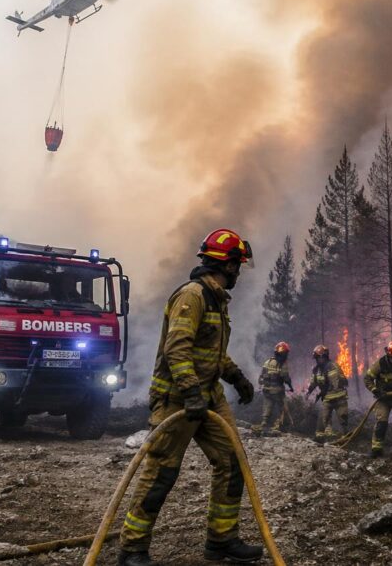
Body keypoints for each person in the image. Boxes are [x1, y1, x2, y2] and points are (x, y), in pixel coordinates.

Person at [117, 229, 263, 566]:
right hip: (177, 399)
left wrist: (236, 377)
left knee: (232, 463)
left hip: (207, 397)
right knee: (162, 472)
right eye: (237, 265)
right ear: (225, 264)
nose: (238, 272)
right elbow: (176, 349)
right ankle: (132, 549)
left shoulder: (215, 299)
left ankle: (221, 541)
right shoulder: (192, 296)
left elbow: (211, 352)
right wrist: (191, 393)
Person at [306, 344, 349, 444]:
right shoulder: (316, 369)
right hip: (328, 399)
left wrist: (324, 391)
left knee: (343, 418)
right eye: (316, 358)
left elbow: (335, 383)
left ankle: (346, 438)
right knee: (322, 417)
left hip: (339, 398)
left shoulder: (332, 366)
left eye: (318, 358)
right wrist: (309, 392)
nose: (317, 360)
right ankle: (319, 438)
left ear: (323, 357)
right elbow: (313, 382)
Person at [253, 342, 293, 436]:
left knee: (267, 406)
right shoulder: (282, 364)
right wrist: (291, 387)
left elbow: (261, 377)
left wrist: (264, 385)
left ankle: (264, 423)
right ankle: (281, 425)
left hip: (266, 390)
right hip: (277, 391)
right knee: (282, 407)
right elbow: (286, 378)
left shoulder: (268, 362)